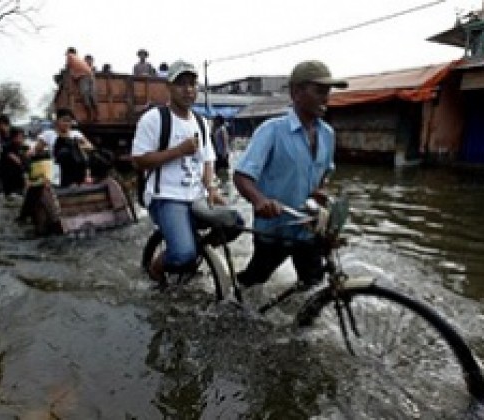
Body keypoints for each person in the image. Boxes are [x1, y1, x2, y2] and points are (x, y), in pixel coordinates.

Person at [233, 60, 347, 288]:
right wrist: (260, 201)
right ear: (296, 92)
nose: (326, 97)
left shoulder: (328, 134)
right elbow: (242, 176)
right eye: (320, 91)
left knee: (314, 285)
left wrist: (320, 195)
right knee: (253, 284)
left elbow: (323, 176)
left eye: (328, 92)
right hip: (275, 229)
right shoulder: (271, 130)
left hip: (307, 228)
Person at [131, 59, 225, 281]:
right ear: (169, 87)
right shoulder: (154, 119)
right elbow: (139, 161)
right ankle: (157, 267)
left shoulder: (202, 123)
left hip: (196, 197)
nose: (188, 90)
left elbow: (208, 160)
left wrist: (211, 187)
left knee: (235, 223)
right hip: (166, 197)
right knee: (183, 254)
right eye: (181, 84)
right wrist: (179, 151)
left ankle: (195, 248)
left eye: (193, 84)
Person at [34, 108, 94, 187]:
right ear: (57, 121)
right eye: (64, 120)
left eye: (69, 121)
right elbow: (37, 150)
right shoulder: (48, 134)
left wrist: (78, 146)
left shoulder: (76, 134)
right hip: (57, 170)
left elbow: (90, 147)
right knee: (59, 192)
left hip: (77, 170)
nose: (67, 123)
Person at [65, 47, 98, 121]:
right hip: (91, 76)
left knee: (84, 95)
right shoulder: (78, 59)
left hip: (83, 77)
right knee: (92, 96)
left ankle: (90, 115)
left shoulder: (70, 56)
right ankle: (96, 115)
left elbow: (67, 68)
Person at [0, 126, 28, 198]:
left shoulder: (23, 146)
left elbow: (25, 159)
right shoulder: (7, 147)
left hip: (17, 174)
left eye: (22, 136)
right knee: (10, 195)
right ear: (13, 137)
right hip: (8, 174)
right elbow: (18, 161)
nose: (21, 139)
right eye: (19, 137)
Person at [211, 115, 231, 196]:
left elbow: (225, 141)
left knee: (222, 169)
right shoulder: (216, 129)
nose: (214, 121)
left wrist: (224, 153)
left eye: (215, 120)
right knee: (217, 169)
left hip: (222, 153)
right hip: (217, 153)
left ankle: (225, 186)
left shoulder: (222, 129)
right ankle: (222, 185)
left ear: (219, 121)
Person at [0, 114, 12, 194]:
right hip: (3, 158)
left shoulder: (13, 133)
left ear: (3, 123)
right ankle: (1, 188)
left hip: (12, 158)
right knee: (1, 173)